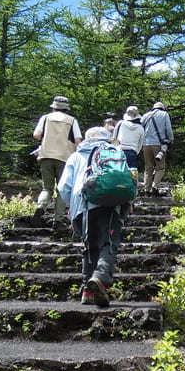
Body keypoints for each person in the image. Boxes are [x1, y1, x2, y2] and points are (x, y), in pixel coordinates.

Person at [57, 126, 132, 307]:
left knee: (89, 247)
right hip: (110, 205)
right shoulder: (115, 152)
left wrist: (73, 204)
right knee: (108, 243)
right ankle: (99, 277)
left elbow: (63, 187)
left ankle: (87, 291)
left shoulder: (75, 156)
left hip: (82, 206)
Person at [32, 95, 82, 213]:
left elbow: (37, 135)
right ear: (66, 108)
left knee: (47, 188)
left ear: (54, 108)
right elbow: (78, 140)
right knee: (62, 188)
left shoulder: (45, 118)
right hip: (64, 158)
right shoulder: (72, 120)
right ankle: (58, 219)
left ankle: (40, 207)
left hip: (46, 155)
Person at [140, 101, 174, 195]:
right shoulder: (164, 114)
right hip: (158, 145)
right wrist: (171, 140)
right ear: (162, 108)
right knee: (160, 168)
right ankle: (154, 187)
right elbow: (168, 128)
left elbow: (140, 129)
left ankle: (147, 190)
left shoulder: (146, 115)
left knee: (148, 168)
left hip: (146, 144)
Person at [111, 105, 145, 170]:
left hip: (119, 151)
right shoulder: (140, 128)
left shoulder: (121, 123)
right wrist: (136, 152)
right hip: (132, 152)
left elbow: (113, 138)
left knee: (118, 172)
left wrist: (114, 148)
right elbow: (140, 144)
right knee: (132, 174)